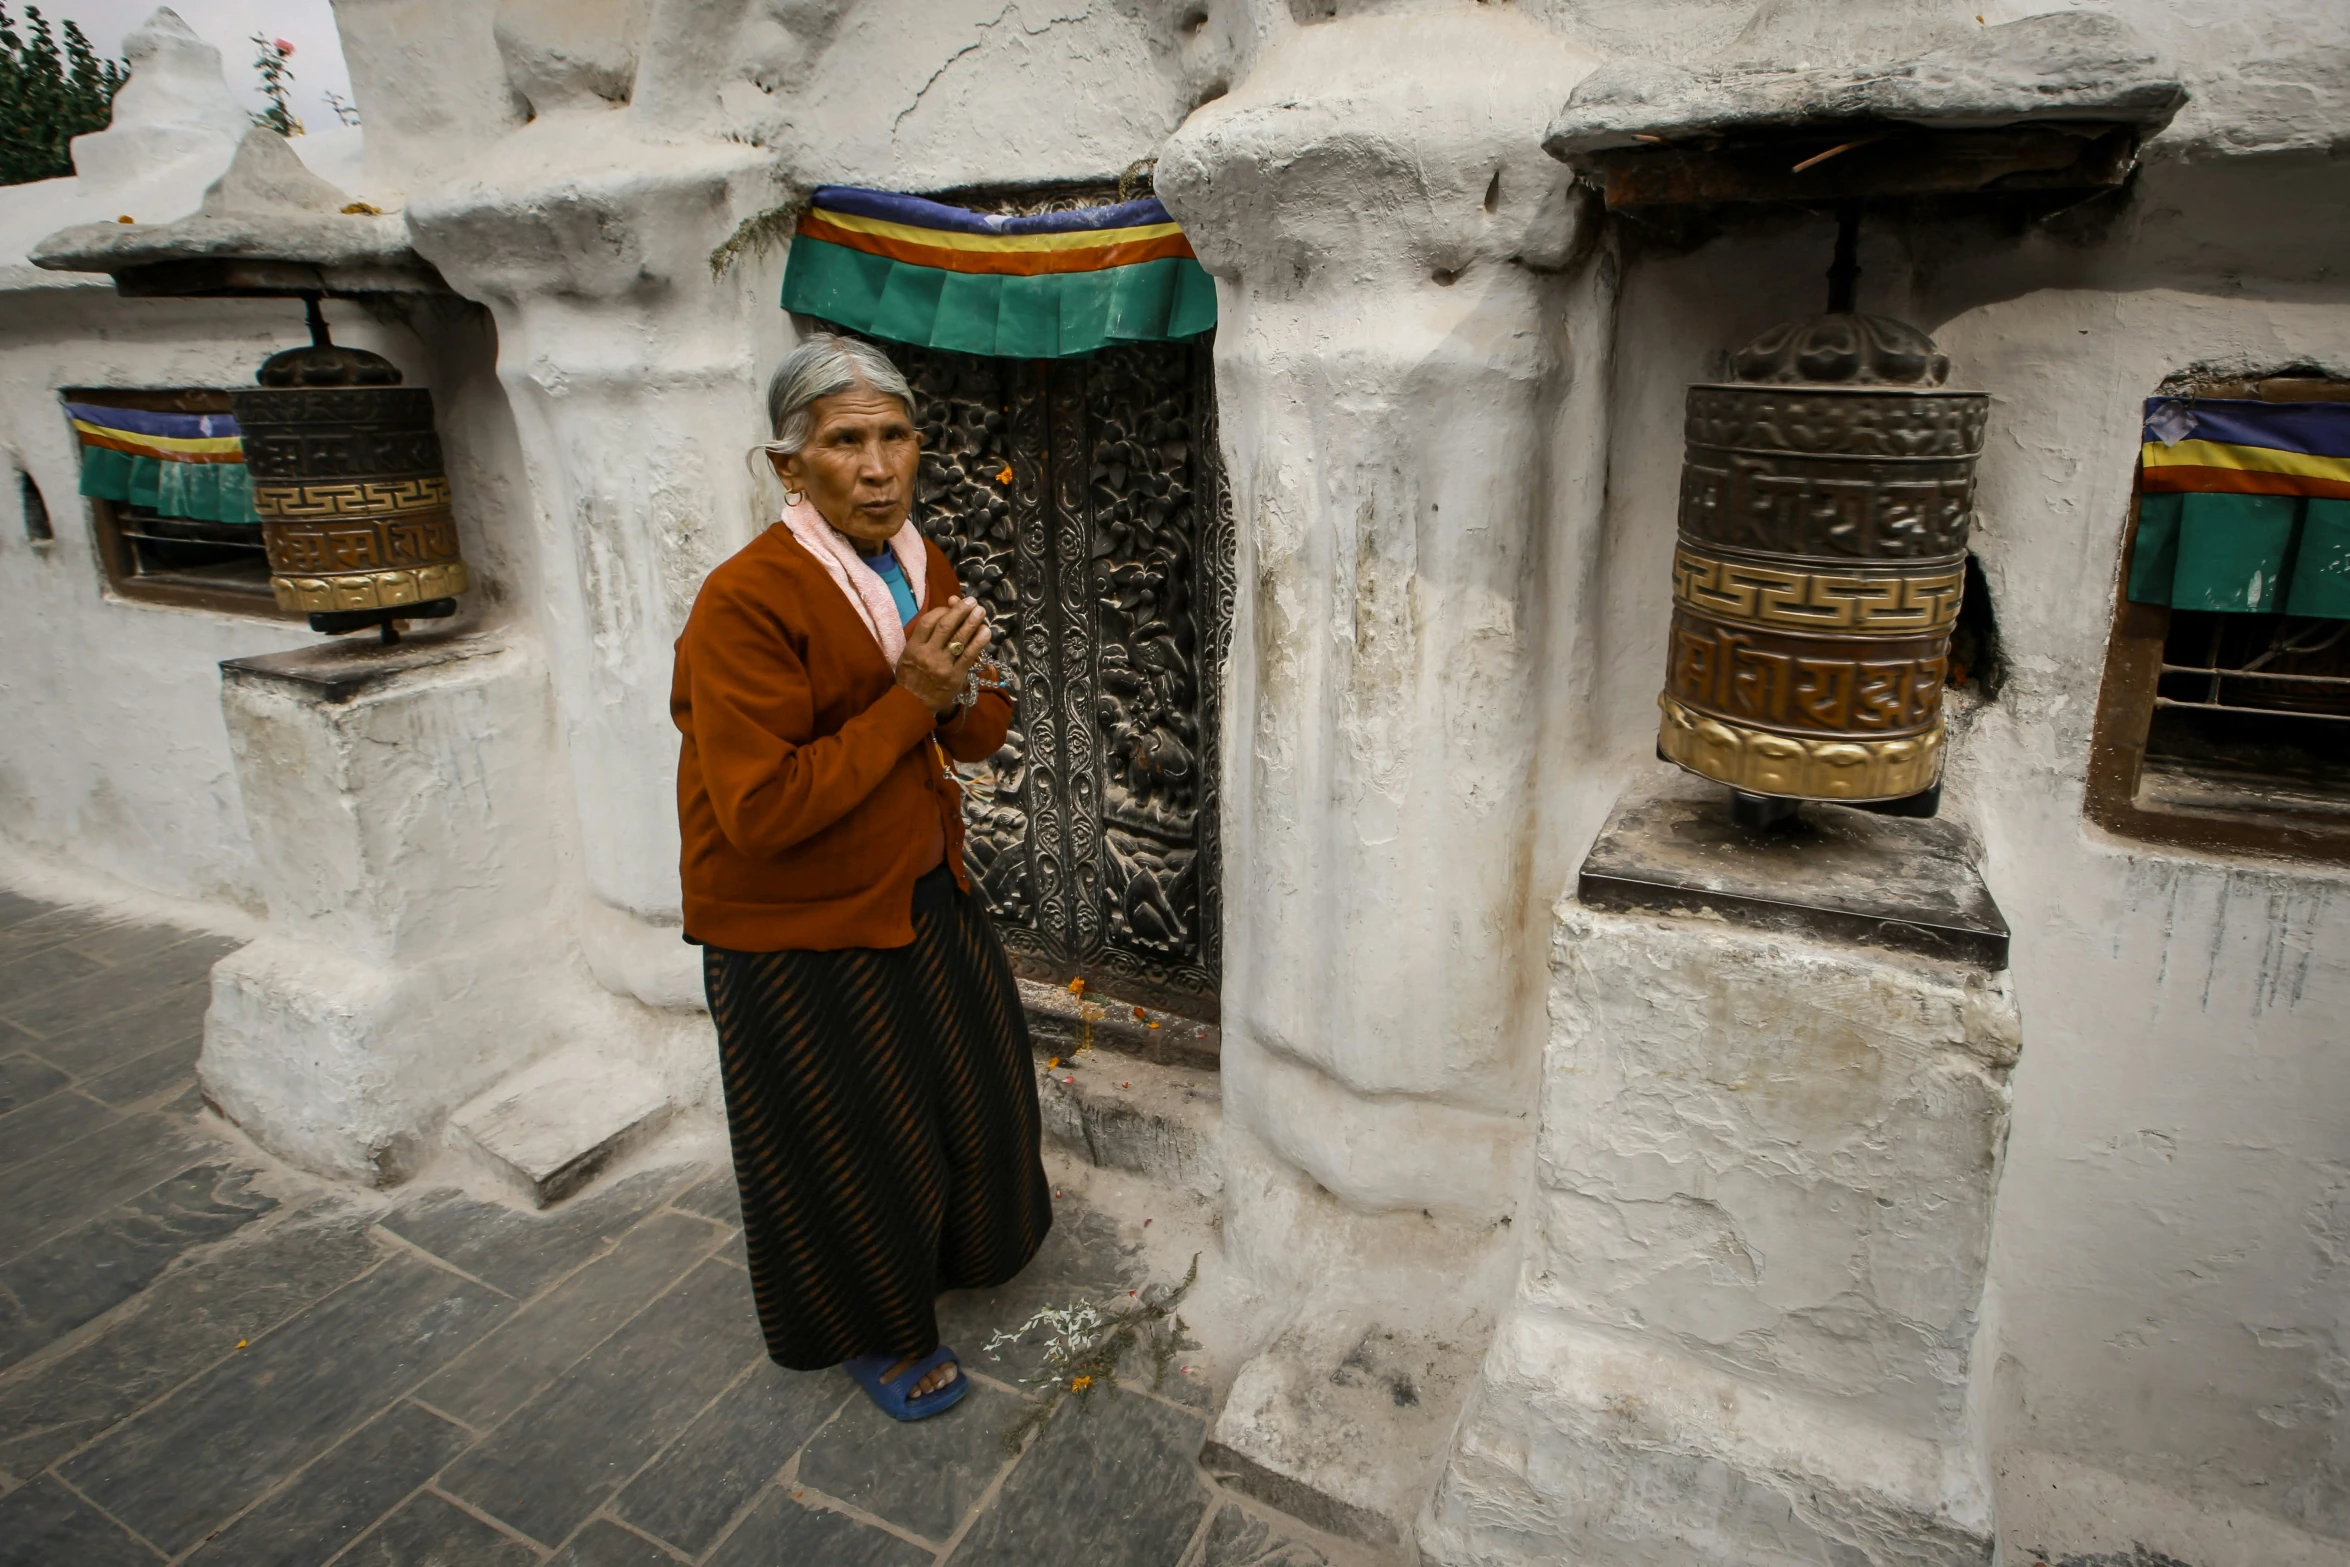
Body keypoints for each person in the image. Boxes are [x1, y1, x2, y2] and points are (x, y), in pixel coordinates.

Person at [670, 333, 1051, 1421]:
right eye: (845, 442)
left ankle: (958, 1251)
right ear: (790, 469)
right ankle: (870, 1330)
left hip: (914, 884)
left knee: (969, 1090)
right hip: (790, 923)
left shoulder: (915, 562)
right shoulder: (744, 601)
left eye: (894, 438)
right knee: (846, 1135)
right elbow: (761, 810)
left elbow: (969, 728)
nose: (878, 466)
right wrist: (914, 701)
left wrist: (963, 692)